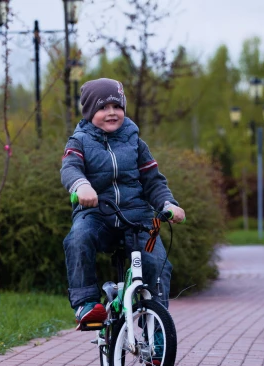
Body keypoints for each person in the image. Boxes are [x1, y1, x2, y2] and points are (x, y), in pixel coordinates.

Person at [61, 78, 185, 329]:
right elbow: (70, 168)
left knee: (157, 263)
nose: (111, 113)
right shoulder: (79, 141)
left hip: (137, 216)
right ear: (89, 111)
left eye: (116, 107)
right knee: (78, 238)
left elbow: (153, 181)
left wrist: (168, 204)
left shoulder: (135, 142)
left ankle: (155, 326)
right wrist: (81, 186)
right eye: (103, 107)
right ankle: (85, 304)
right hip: (96, 215)